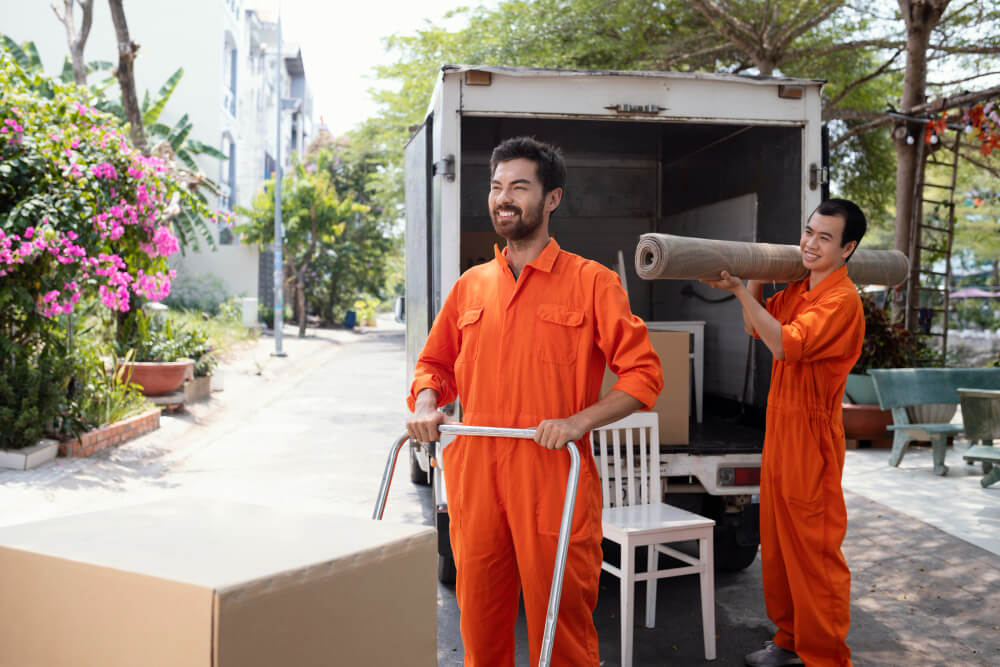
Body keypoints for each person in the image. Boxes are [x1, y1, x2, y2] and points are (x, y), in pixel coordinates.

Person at [406, 136, 663, 666]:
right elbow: (432, 366)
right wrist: (428, 404)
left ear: (551, 199)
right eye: (497, 187)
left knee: (562, 626)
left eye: (519, 187)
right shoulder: (470, 288)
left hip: (553, 477)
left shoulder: (593, 283)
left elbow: (643, 376)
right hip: (476, 477)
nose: (504, 198)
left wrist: (578, 422)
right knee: (479, 621)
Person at [702, 199, 866, 667]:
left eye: (825, 238)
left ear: (847, 248)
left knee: (813, 552)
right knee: (776, 545)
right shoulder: (800, 287)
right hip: (780, 428)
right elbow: (757, 325)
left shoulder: (841, 301)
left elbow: (783, 343)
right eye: (809, 232)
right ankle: (790, 638)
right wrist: (754, 273)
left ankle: (827, 656)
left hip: (812, 438)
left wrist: (737, 289)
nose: (811, 244)